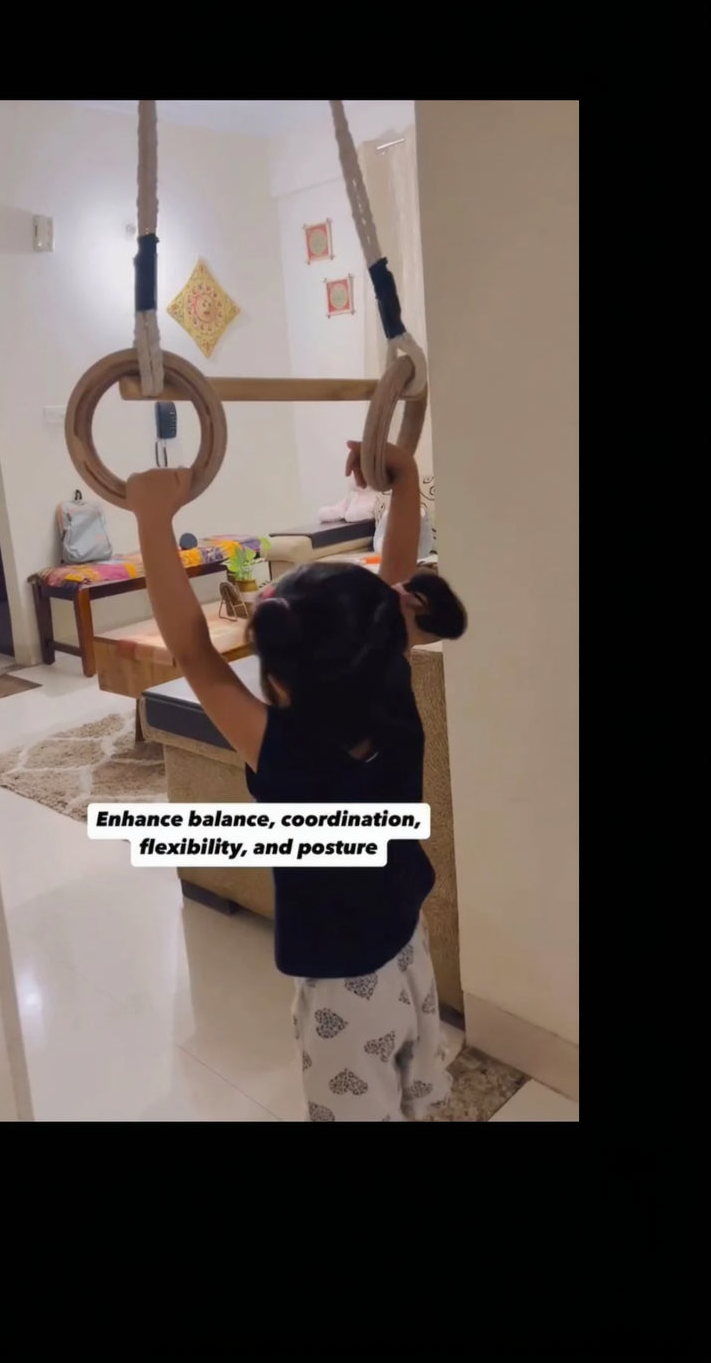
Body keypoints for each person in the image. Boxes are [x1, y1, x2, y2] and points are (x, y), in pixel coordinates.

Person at [126, 440, 467, 1122]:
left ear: (278, 680)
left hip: (345, 986)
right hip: (407, 941)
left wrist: (152, 521)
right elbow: (389, 583)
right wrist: (400, 487)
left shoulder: (284, 751)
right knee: (415, 1079)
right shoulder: (393, 693)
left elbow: (190, 649)